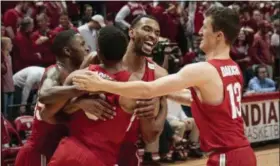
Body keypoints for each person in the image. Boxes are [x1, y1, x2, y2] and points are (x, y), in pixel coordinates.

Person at [73, 7, 257, 166]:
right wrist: (165, 93)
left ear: (219, 36)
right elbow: (195, 99)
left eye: (205, 27)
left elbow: (148, 89)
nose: (200, 31)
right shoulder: (234, 69)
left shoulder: (203, 70)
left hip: (227, 156)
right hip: (242, 153)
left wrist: (101, 83)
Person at [14, 30, 114, 166]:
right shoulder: (55, 71)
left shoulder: (78, 73)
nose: (87, 48)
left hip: (60, 152)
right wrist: (80, 92)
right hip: (39, 154)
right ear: (67, 51)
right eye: (82, 44)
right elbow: (45, 94)